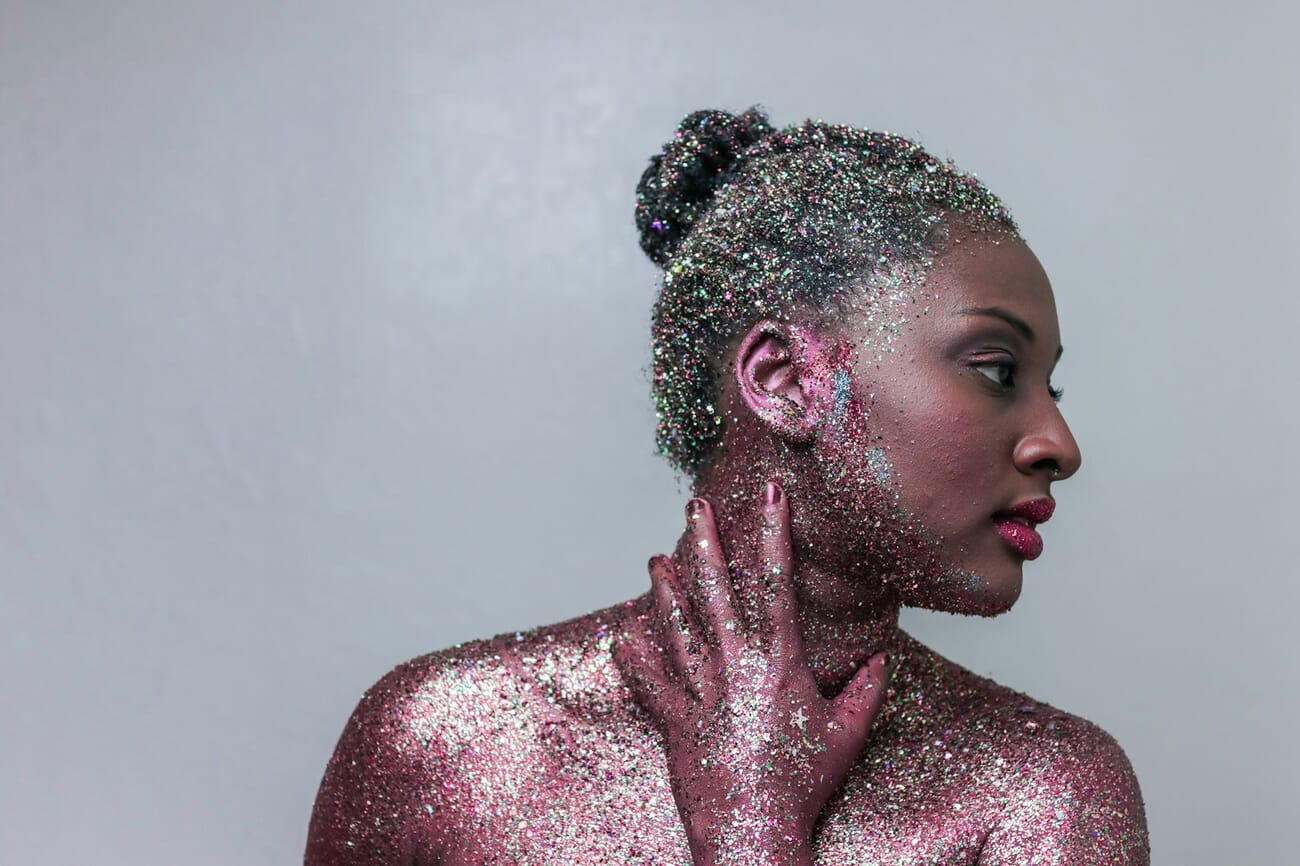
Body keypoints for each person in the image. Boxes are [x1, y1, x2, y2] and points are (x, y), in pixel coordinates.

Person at [304, 107, 1150, 865]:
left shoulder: (1045, 795)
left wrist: (756, 836)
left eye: (1054, 389)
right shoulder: (442, 743)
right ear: (783, 379)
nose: (1059, 445)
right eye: (997, 370)